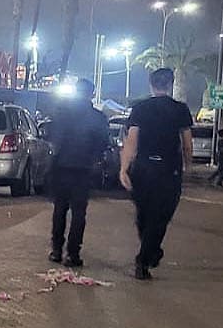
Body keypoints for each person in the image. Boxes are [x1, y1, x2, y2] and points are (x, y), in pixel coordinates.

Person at [120, 67, 194, 280]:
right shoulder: (180, 109)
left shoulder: (140, 108)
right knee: (160, 217)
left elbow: (131, 140)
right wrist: (188, 166)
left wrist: (124, 168)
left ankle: (149, 251)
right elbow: (187, 143)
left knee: (143, 214)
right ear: (170, 84)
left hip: (143, 168)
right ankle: (146, 257)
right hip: (168, 170)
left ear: (151, 85)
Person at [44, 78, 109, 267]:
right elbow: (103, 142)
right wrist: (95, 158)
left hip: (61, 167)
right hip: (84, 169)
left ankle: (56, 250)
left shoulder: (62, 113)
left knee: (59, 209)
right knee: (79, 213)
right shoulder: (97, 117)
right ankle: (73, 254)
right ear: (92, 94)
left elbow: (52, 137)